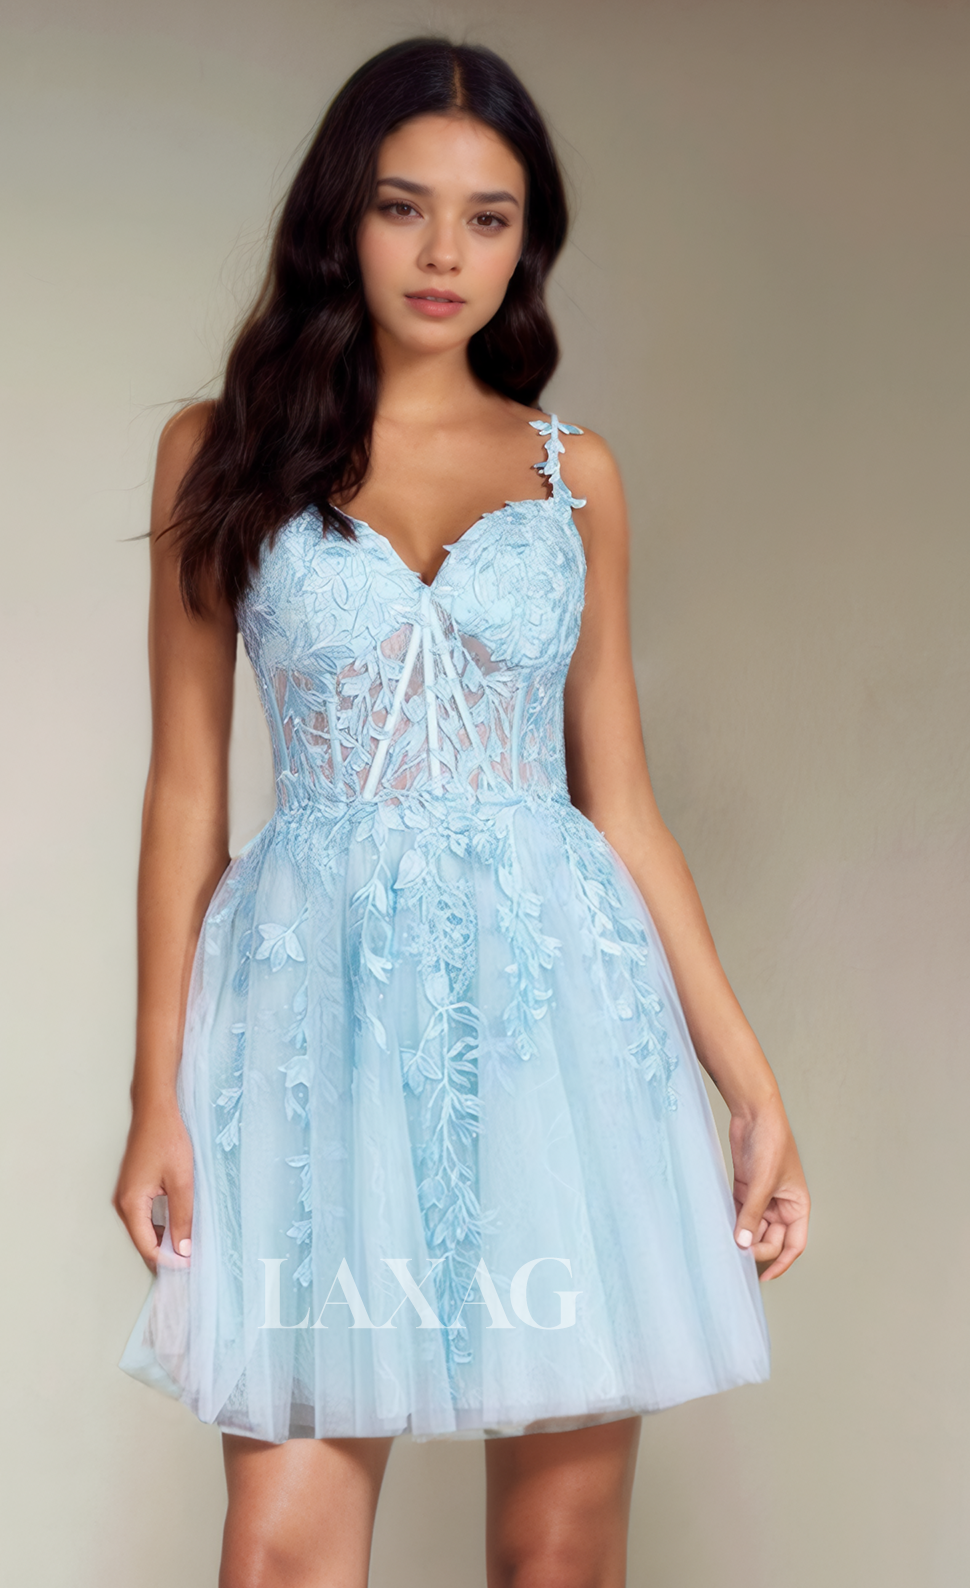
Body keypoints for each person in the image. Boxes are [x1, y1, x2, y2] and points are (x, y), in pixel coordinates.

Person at [113, 36, 809, 1588]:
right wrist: (155, 1093)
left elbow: (621, 807)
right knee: (282, 1556)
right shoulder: (218, 453)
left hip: (561, 1035)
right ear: (339, 218)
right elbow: (184, 796)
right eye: (403, 207)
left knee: (557, 1559)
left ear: (526, 242)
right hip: (311, 1029)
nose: (444, 255)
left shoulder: (577, 476)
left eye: (488, 218)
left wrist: (749, 1086)